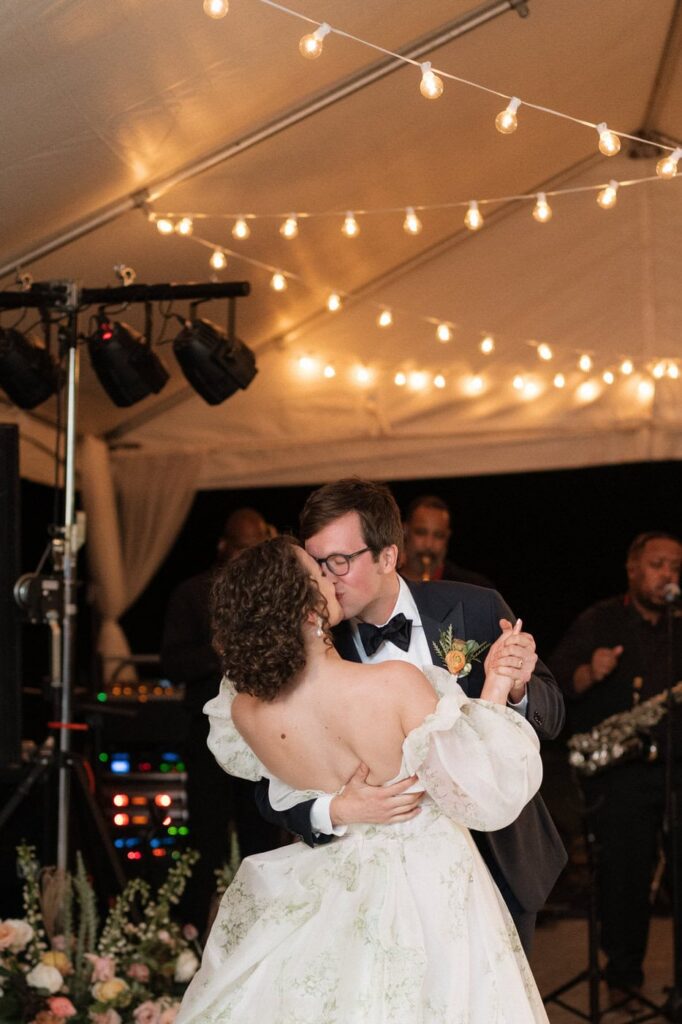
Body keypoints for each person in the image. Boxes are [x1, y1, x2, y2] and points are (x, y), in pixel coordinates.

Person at [177, 536, 550, 1023]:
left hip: (328, 889)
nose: (330, 578)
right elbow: (477, 789)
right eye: (317, 573)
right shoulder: (393, 684)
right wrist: (497, 681)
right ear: (307, 609)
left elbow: (280, 786)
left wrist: (334, 807)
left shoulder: (243, 713)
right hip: (430, 885)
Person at [211, 478, 566, 953]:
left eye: (339, 561)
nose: (327, 578)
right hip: (375, 887)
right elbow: (267, 786)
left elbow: (554, 711)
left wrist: (518, 687)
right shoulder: (297, 659)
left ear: (387, 556)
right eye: (317, 563)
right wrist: (335, 810)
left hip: (501, 859)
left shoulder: (476, 605)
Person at [550, 530, 682, 998]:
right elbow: (558, 677)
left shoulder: (678, 623)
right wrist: (589, 671)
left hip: (674, 769)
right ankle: (623, 979)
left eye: (674, 566)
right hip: (621, 776)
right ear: (632, 568)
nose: (667, 574)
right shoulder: (600, 620)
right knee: (625, 879)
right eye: (657, 564)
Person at [160, 507, 279, 932]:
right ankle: (191, 932)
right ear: (223, 547)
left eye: (256, 547)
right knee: (205, 839)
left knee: (264, 836)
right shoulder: (193, 594)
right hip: (206, 734)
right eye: (242, 547)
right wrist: (225, 650)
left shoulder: (270, 595)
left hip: (262, 733)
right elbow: (171, 661)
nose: (247, 555)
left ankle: (263, 928)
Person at [400, 493, 494, 586]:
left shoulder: (473, 585)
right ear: (405, 531)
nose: (429, 545)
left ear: (447, 537)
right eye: (421, 533)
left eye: (439, 535)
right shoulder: (388, 581)